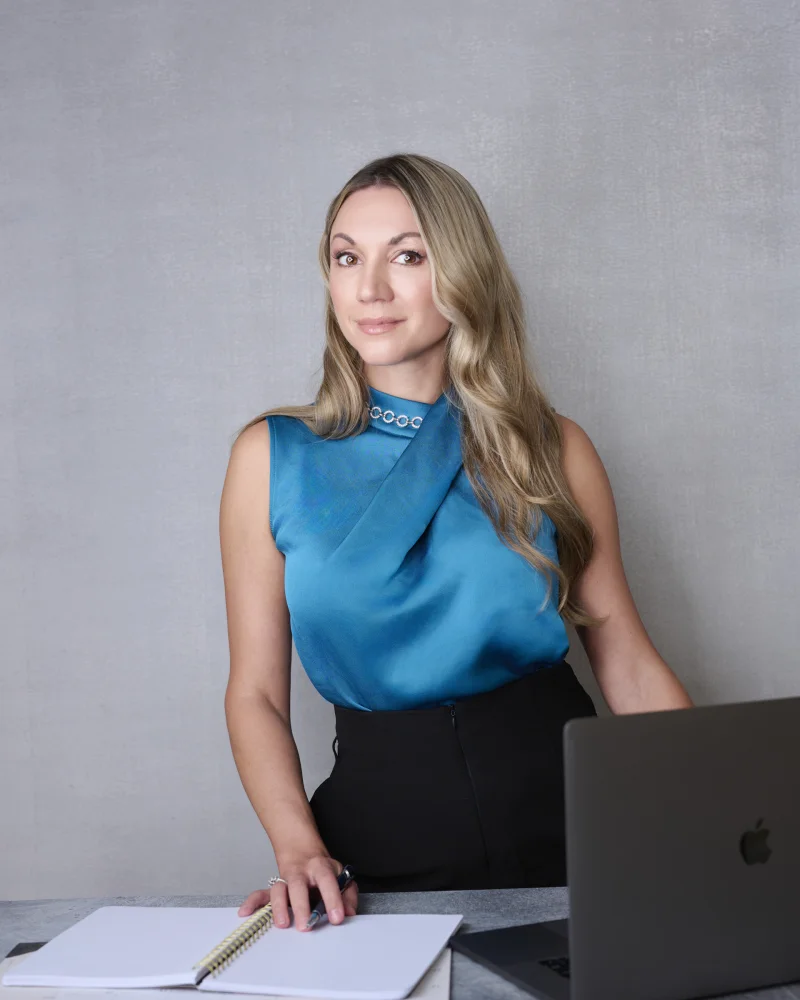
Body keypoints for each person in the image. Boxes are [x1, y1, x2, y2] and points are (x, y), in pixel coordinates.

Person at [219, 153, 694, 933]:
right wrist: (297, 846)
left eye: (407, 256)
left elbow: (630, 666)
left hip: (580, 827)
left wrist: (719, 824)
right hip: (375, 843)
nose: (369, 288)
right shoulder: (270, 459)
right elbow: (257, 695)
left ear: (462, 271)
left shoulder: (553, 448)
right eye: (347, 257)